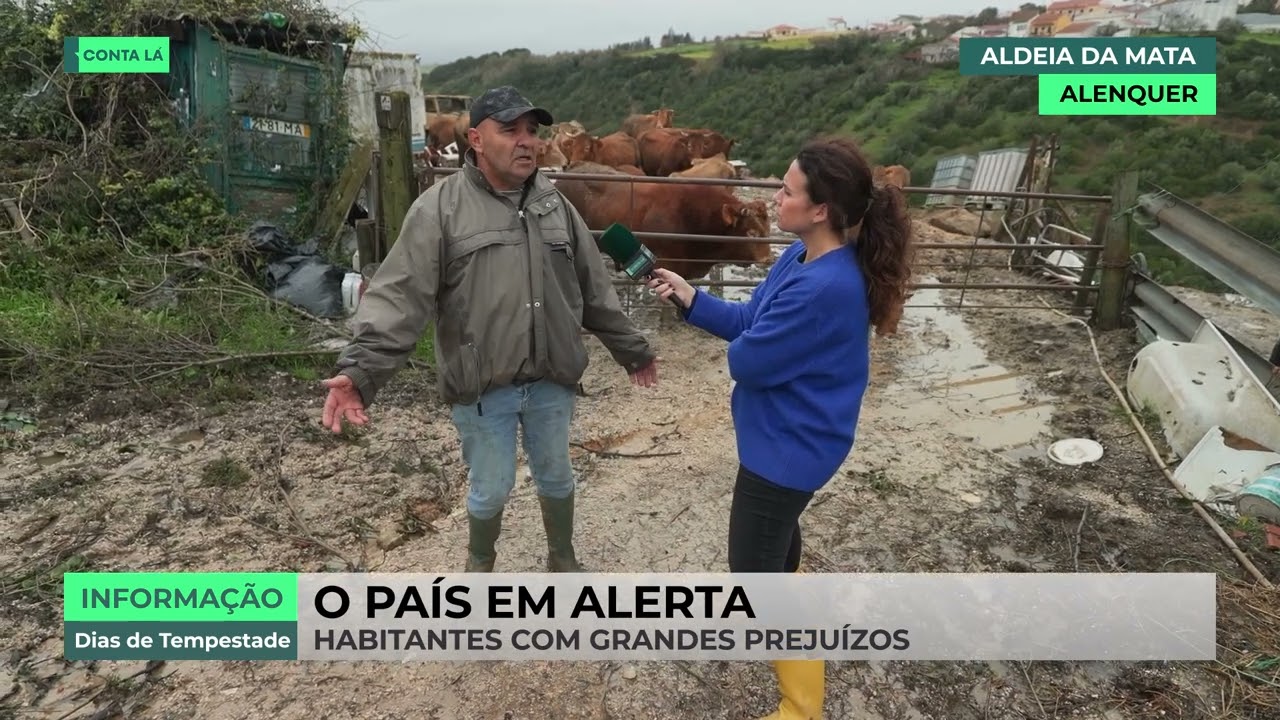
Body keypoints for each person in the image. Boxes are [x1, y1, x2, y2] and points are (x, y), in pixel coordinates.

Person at [320, 86, 660, 573]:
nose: (527, 142)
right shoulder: (440, 210)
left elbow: (592, 289)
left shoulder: (555, 205)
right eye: (510, 130)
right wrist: (361, 371)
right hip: (482, 385)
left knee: (557, 476)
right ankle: (480, 568)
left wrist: (633, 349)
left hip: (551, 377)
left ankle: (562, 559)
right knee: (491, 485)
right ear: (476, 139)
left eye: (532, 131)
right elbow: (400, 296)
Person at [647, 136, 914, 720]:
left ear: (821, 210)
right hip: (785, 441)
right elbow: (749, 322)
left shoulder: (827, 287)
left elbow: (747, 360)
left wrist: (745, 344)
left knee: (754, 579)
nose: (774, 195)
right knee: (777, 563)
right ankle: (803, 649)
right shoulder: (803, 257)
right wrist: (692, 298)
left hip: (787, 455)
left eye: (787, 190)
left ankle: (801, 709)